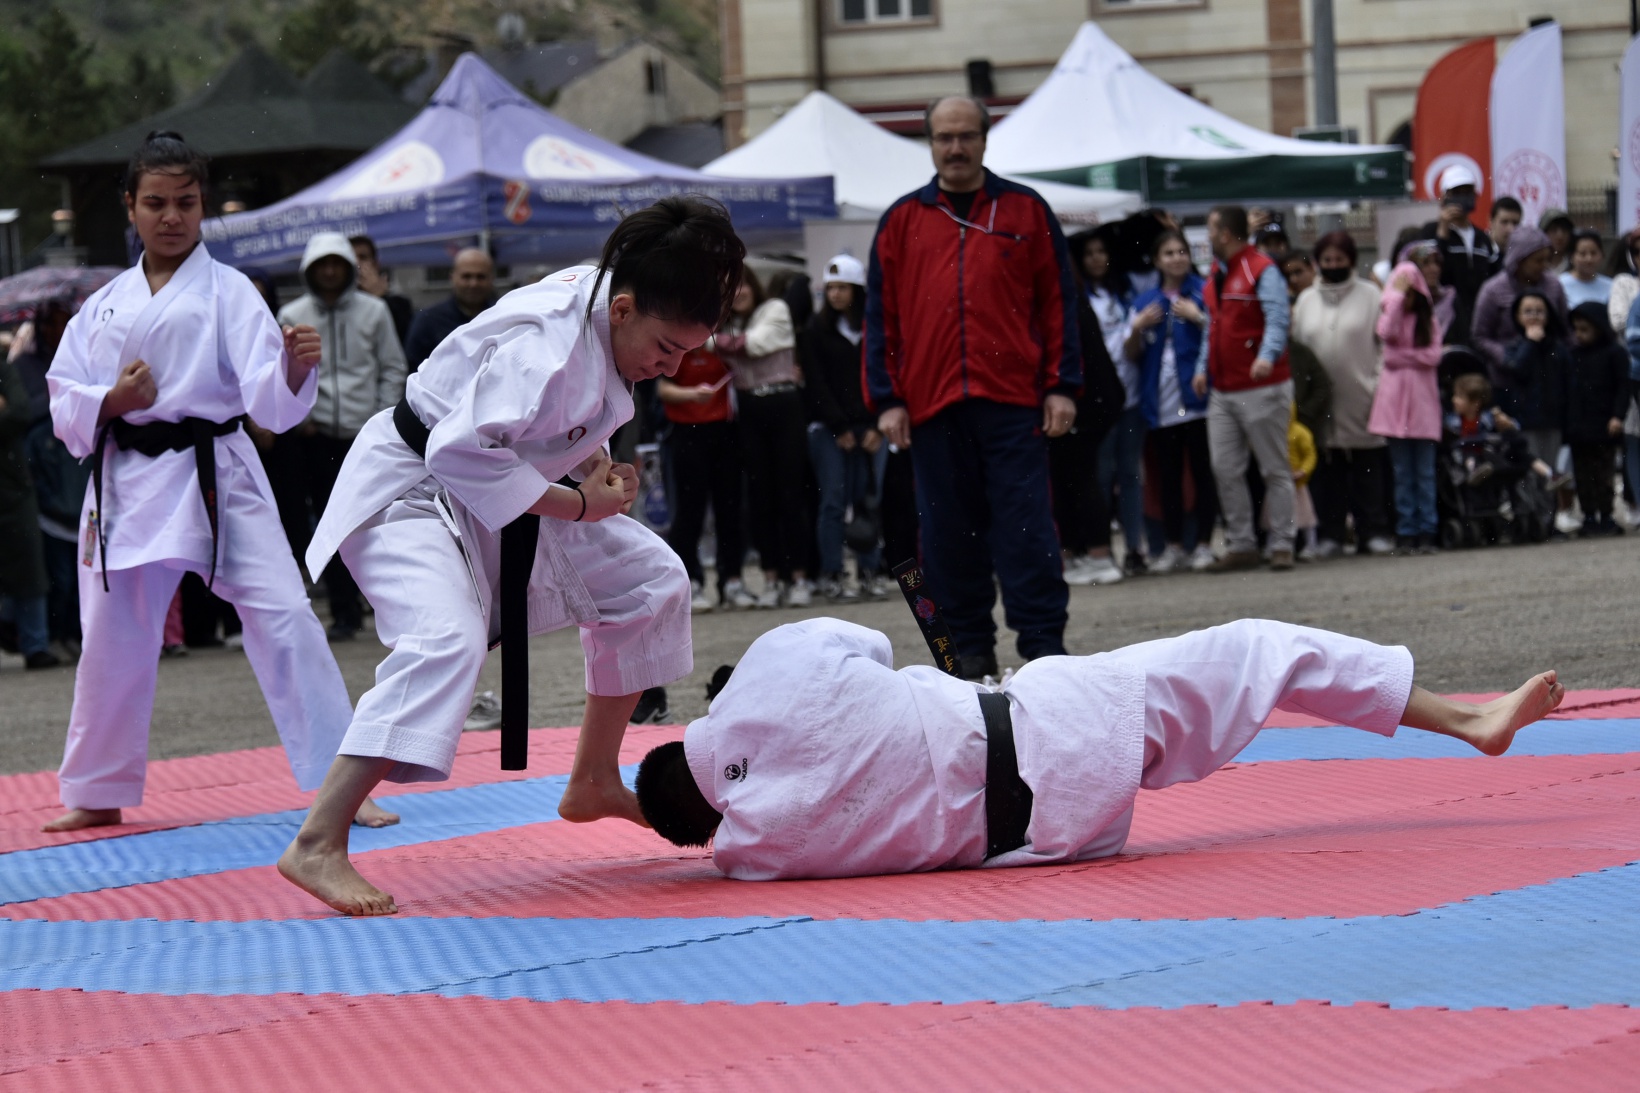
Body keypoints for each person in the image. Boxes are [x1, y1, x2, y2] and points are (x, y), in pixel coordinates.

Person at [275, 196, 742, 916]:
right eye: (667, 348)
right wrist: (582, 504)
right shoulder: (550, 345)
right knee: (446, 638)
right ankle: (318, 839)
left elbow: (554, 420)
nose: (669, 365)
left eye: (684, 353)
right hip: (410, 492)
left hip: (492, 492)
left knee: (653, 581)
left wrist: (594, 466)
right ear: (622, 309)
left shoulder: (609, 300)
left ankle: (591, 779)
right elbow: (456, 451)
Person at [42, 131, 393, 833]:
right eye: (156, 203)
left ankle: (342, 781)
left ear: (203, 208)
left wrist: (294, 370)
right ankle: (98, 787)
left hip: (218, 472)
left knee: (286, 616)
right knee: (112, 633)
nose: (171, 217)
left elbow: (268, 398)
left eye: (186, 203)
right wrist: (113, 401)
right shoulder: (104, 302)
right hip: (125, 479)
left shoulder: (231, 292)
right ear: (130, 208)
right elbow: (62, 395)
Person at [635, 616, 1564, 879]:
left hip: (1053, 834)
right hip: (1060, 725)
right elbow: (870, 643)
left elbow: (705, 823)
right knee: (1261, 650)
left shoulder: (754, 858)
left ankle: (1468, 722)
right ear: (689, 735)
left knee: (1237, 679)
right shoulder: (766, 671)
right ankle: (1471, 722)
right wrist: (735, 699)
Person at [866, 96, 1081, 678]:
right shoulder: (901, 221)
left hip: (1013, 403)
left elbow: (1058, 303)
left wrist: (1062, 385)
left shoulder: (1025, 211)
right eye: (943, 137)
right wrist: (886, 398)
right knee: (943, 538)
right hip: (932, 405)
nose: (955, 148)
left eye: (965, 136)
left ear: (985, 140)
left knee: (1027, 525)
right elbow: (881, 318)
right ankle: (962, 654)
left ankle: (1043, 649)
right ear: (930, 144)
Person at [277, 232, 409, 640]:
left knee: (375, 521)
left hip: (364, 434)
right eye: (323, 265)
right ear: (310, 271)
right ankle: (343, 611)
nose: (331, 272)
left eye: (337, 264)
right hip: (315, 436)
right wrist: (302, 417)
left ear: (349, 269)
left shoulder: (374, 311)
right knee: (327, 523)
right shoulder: (292, 314)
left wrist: (380, 418)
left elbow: (391, 367)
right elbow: (281, 374)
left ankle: (389, 608)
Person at [1193, 206, 1294, 571]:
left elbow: (1278, 317)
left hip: (1261, 384)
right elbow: (1213, 325)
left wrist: (1266, 356)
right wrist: (1203, 366)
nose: (1207, 237)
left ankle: (1282, 542)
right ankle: (1242, 543)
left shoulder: (1262, 269)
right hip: (1224, 387)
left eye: (1210, 230)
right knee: (1224, 467)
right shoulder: (1217, 274)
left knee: (1273, 467)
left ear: (1224, 234)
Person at [715, 268, 812, 608]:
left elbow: (755, 346)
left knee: (790, 493)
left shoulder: (775, 310)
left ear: (754, 284)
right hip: (749, 410)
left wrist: (709, 338)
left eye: (740, 284)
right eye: (729, 288)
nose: (737, 292)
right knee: (759, 497)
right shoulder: (727, 323)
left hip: (783, 405)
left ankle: (799, 577)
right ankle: (771, 578)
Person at [1293, 231, 1393, 559]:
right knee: (1326, 472)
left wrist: (1378, 384)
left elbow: (1384, 346)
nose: (1333, 265)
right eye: (1327, 260)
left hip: (1363, 395)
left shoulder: (1370, 295)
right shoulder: (1306, 300)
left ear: (1351, 260)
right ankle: (1330, 535)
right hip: (1321, 404)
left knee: (1368, 469)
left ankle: (1374, 531)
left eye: (1339, 259)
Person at [1124, 229, 1216, 574]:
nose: (1177, 258)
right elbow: (1131, 353)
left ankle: (1205, 544)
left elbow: (1220, 333)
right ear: (1157, 260)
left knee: (1205, 474)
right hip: (1160, 404)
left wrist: (1199, 316)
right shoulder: (1144, 301)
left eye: (1182, 251)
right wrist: (1137, 328)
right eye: (1169, 253)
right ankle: (1174, 546)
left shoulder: (1203, 292)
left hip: (1199, 399)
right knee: (1168, 476)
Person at [801, 254, 889, 602]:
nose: (835, 294)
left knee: (868, 499)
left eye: (842, 287)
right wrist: (840, 426)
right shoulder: (815, 331)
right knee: (834, 501)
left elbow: (883, 378)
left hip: (871, 429)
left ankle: (869, 571)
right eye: (830, 287)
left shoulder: (874, 330)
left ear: (857, 290)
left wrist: (876, 426)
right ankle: (833, 574)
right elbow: (817, 384)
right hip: (830, 430)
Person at [1051, 232, 1127, 586]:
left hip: (1088, 403)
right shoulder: (1071, 298)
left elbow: (1086, 362)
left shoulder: (1068, 302)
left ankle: (1097, 552)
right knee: (1070, 479)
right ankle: (1080, 552)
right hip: (1088, 401)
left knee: (1081, 479)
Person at [659, 345, 750, 613]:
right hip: (687, 434)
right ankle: (691, 582)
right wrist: (691, 394)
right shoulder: (678, 344)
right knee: (689, 512)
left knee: (730, 509)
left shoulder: (724, 344)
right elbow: (663, 389)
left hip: (725, 433)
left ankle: (732, 580)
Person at [1369, 244, 1448, 554]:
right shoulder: (1395, 313)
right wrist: (1397, 298)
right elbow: (1385, 337)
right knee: (1403, 475)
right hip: (1394, 408)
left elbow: (1432, 356)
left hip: (1422, 407)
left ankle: (1427, 529)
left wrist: (1403, 357)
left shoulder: (1429, 321)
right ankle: (1406, 530)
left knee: (1424, 474)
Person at [1076, 227, 1144, 580]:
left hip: (1129, 396)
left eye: (1101, 251)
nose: (1096, 258)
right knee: (1100, 477)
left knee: (1130, 475)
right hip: (1101, 402)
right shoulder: (1081, 297)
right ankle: (1102, 550)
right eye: (1089, 253)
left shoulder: (1125, 293)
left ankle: (1135, 548)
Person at [0, 353, 56, 669]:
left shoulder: (4, 369)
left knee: (29, 564)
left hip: (12, 485)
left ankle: (36, 644)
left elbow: (20, 412)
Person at [1468, 226, 1569, 392]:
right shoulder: (1493, 290)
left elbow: (1565, 331)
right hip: (1506, 381)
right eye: (1538, 260)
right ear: (1519, 259)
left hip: (1549, 381)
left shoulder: (1553, 285)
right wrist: (1506, 356)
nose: (1544, 266)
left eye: (1546, 260)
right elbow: (1479, 336)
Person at [1563, 302, 1630, 536]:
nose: (1579, 335)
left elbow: (1623, 387)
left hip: (1605, 425)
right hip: (1579, 427)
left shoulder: (1614, 353)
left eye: (1585, 329)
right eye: (1576, 329)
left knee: (1604, 472)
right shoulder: (1573, 355)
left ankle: (1607, 514)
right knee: (1582, 473)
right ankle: (1588, 515)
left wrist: (1617, 416)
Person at [1417, 164, 1498, 348]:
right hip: (1444, 325)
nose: (1463, 197)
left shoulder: (1482, 238)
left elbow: (1492, 277)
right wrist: (1443, 231)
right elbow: (1428, 271)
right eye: (1457, 192)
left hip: (1479, 324)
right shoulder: (1429, 231)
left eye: (1467, 191)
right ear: (1444, 197)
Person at [1496, 291, 1570, 479]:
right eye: (1528, 311)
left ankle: (1549, 509)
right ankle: (1531, 510)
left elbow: (1568, 381)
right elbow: (1516, 369)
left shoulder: (1558, 347)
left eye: (1539, 311)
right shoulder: (1513, 347)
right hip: (1525, 420)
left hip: (1553, 420)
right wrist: (1529, 343)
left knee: (1551, 474)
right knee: (1530, 473)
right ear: (1517, 316)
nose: (1534, 316)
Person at [403, 248, 497, 372]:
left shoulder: (501, 318)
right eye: (466, 276)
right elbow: (413, 369)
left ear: (491, 279)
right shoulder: (428, 321)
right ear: (452, 277)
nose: (473, 283)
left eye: (481, 277)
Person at [350, 235, 414, 349]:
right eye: (351, 257)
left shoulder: (398, 303)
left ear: (375, 265)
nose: (356, 263)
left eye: (363, 257)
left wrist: (380, 298)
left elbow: (401, 340)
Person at [1559, 229, 1612, 310]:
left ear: (1602, 255)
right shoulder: (1560, 284)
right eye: (1582, 254)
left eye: (1593, 253)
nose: (1589, 259)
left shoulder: (1611, 286)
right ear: (1571, 256)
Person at [1539, 209, 1576, 274]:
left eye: (1564, 230)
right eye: (1553, 230)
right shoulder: (1536, 266)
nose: (1560, 236)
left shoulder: (1577, 264)